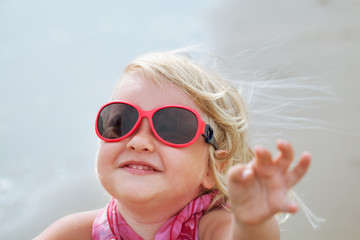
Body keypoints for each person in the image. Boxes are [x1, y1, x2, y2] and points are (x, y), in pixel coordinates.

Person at [35, 48, 311, 240]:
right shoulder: (75, 232)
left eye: (172, 127)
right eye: (121, 120)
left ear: (212, 166)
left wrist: (254, 221)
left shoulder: (211, 227)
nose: (140, 141)